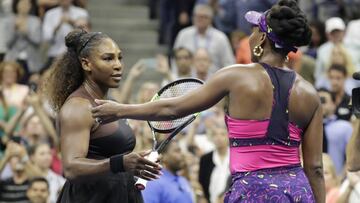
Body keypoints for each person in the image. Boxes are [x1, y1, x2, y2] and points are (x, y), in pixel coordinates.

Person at [92, 0, 325, 202]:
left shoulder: (235, 76)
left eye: (254, 30)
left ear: (262, 38)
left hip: (253, 190)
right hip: (297, 192)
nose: (250, 35)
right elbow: (315, 168)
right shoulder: (310, 94)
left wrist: (121, 109)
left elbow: (172, 108)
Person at [44, 29, 161, 203]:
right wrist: (120, 163)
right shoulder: (78, 107)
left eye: (119, 57)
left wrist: (136, 162)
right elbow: (71, 168)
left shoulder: (110, 102)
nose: (118, 65)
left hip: (120, 194)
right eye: (108, 58)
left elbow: (114, 157)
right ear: (86, 64)